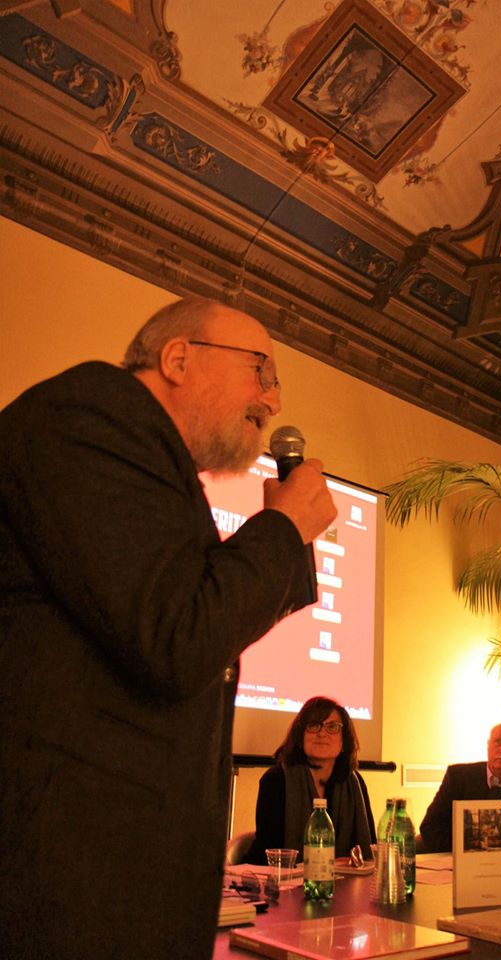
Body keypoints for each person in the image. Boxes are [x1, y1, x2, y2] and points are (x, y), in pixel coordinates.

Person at [0, 296, 337, 960]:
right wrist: (282, 528)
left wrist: (288, 542)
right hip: (66, 881)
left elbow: (192, 619)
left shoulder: (152, 465)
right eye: (261, 371)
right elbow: (179, 635)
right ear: (179, 358)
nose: (274, 401)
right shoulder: (89, 416)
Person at [244, 696, 375, 864]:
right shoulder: (276, 780)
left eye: (332, 727)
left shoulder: (355, 783)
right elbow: (268, 849)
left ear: (344, 740)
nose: (322, 733)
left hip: (345, 878)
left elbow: (370, 846)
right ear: (300, 737)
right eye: (313, 725)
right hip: (284, 876)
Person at [419, 723, 501, 852]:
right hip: (453, 856)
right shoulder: (457, 777)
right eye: (498, 742)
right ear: (488, 745)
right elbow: (430, 827)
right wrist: (467, 851)